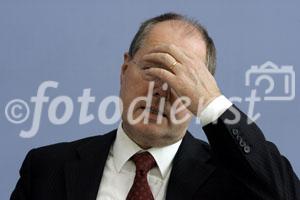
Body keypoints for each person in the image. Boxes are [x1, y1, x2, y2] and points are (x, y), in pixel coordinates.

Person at [11, 12, 300, 200]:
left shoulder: (233, 179)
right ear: (125, 70)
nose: (161, 89)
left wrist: (213, 104)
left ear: (201, 89)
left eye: (181, 77)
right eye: (152, 68)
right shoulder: (46, 168)